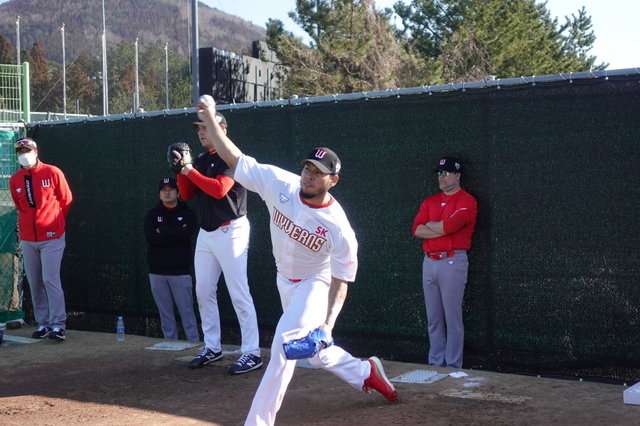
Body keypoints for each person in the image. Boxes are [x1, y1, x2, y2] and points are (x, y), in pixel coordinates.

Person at [193, 95, 399, 426]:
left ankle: (258, 422)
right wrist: (212, 119)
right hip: (284, 279)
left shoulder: (338, 226)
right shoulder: (280, 184)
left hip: (315, 283)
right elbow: (236, 157)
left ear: (333, 180)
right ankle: (365, 371)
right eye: (307, 168)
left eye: (318, 173)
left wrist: (327, 325)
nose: (309, 176)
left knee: (283, 346)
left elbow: (342, 279)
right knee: (314, 354)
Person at [173, 112, 262, 374]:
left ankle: (252, 352)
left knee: (238, 293)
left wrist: (188, 170)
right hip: (207, 232)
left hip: (231, 230)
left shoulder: (232, 157)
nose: (200, 132)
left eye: (205, 128)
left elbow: (219, 189)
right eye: (199, 129)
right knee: (203, 291)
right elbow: (187, 194)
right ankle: (212, 346)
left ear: (221, 129)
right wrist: (180, 172)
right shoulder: (202, 160)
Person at [411, 157, 478, 369]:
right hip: (429, 261)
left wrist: (433, 226)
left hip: (452, 260)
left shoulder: (467, 201)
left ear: (457, 175)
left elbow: (450, 227)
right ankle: (435, 364)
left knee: (452, 318)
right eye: (440, 173)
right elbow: (416, 230)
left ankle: (453, 366)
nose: (442, 177)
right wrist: (438, 227)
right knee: (434, 318)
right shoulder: (429, 201)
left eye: (446, 173)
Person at [9, 137, 73, 342]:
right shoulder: (15, 179)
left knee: (50, 279)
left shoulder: (52, 172)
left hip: (52, 237)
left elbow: (66, 200)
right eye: (20, 152)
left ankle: (58, 325)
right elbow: (19, 206)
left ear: (36, 152)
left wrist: (54, 224)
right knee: (35, 281)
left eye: (27, 151)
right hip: (28, 239)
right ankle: (43, 323)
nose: (24, 155)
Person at [143, 177, 200, 342]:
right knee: (165, 314)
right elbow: (151, 237)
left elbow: (186, 234)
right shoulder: (152, 215)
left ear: (178, 193)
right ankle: (170, 345)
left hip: (180, 272)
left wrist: (163, 231)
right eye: (163, 190)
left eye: (170, 189)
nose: (167, 193)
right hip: (157, 272)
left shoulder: (188, 213)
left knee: (187, 313)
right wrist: (176, 232)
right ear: (159, 194)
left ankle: (194, 344)